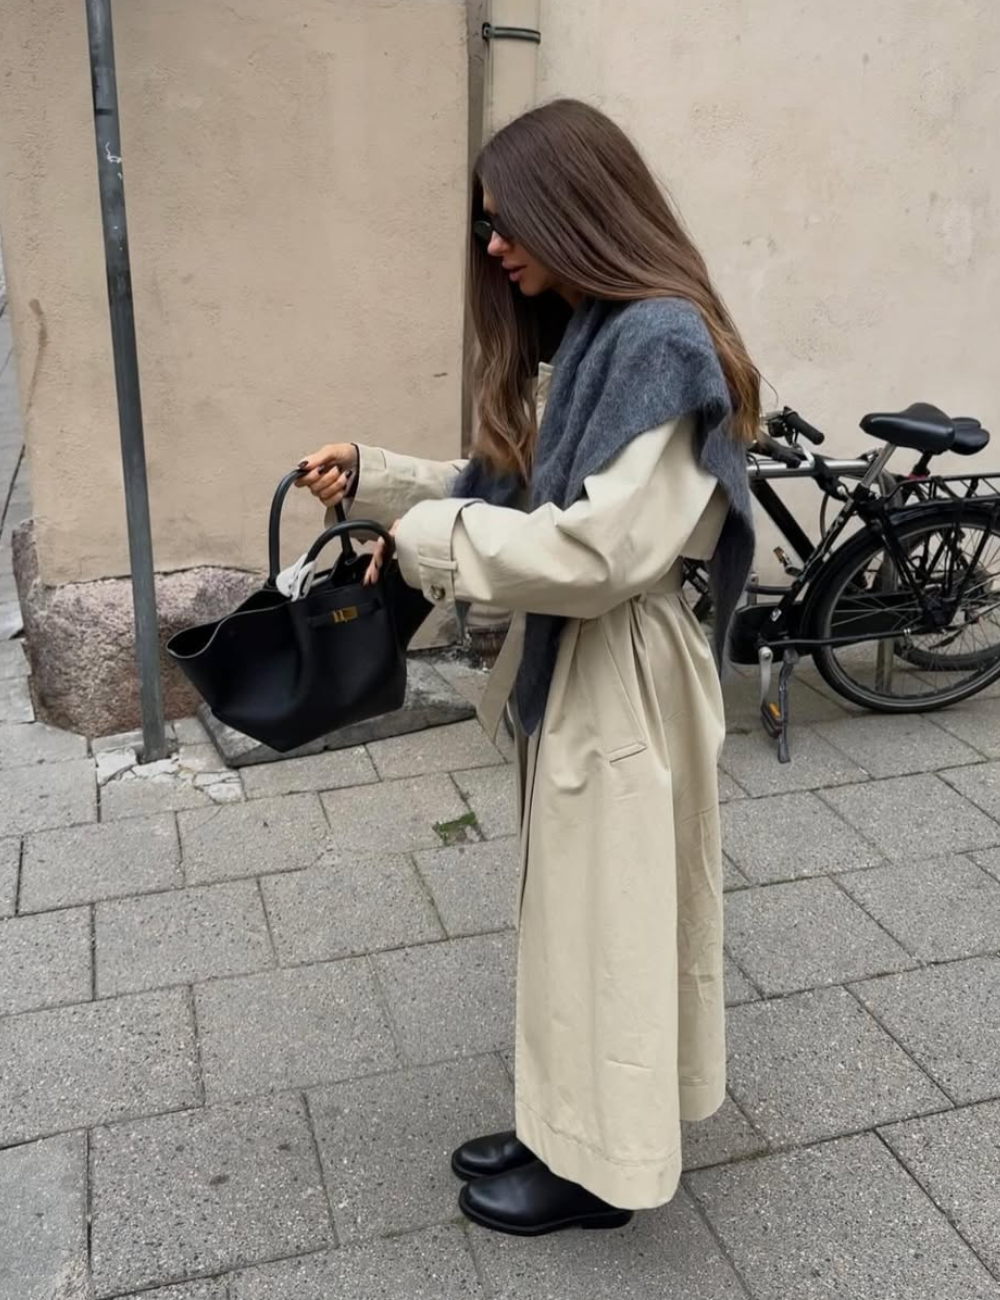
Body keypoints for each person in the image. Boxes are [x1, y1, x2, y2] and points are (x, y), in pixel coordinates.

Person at [296, 98, 757, 1237]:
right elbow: (516, 482)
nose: (491, 246)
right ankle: (564, 1125)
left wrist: (422, 542)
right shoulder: (599, 328)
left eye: (508, 221)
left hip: (621, 674)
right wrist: (381, 477)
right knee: (573, 922)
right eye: (483, 226)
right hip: (586, 672)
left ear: (577, 206)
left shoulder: (658, 339)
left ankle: (602, 1170)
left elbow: (600, 551)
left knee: (607, 932)